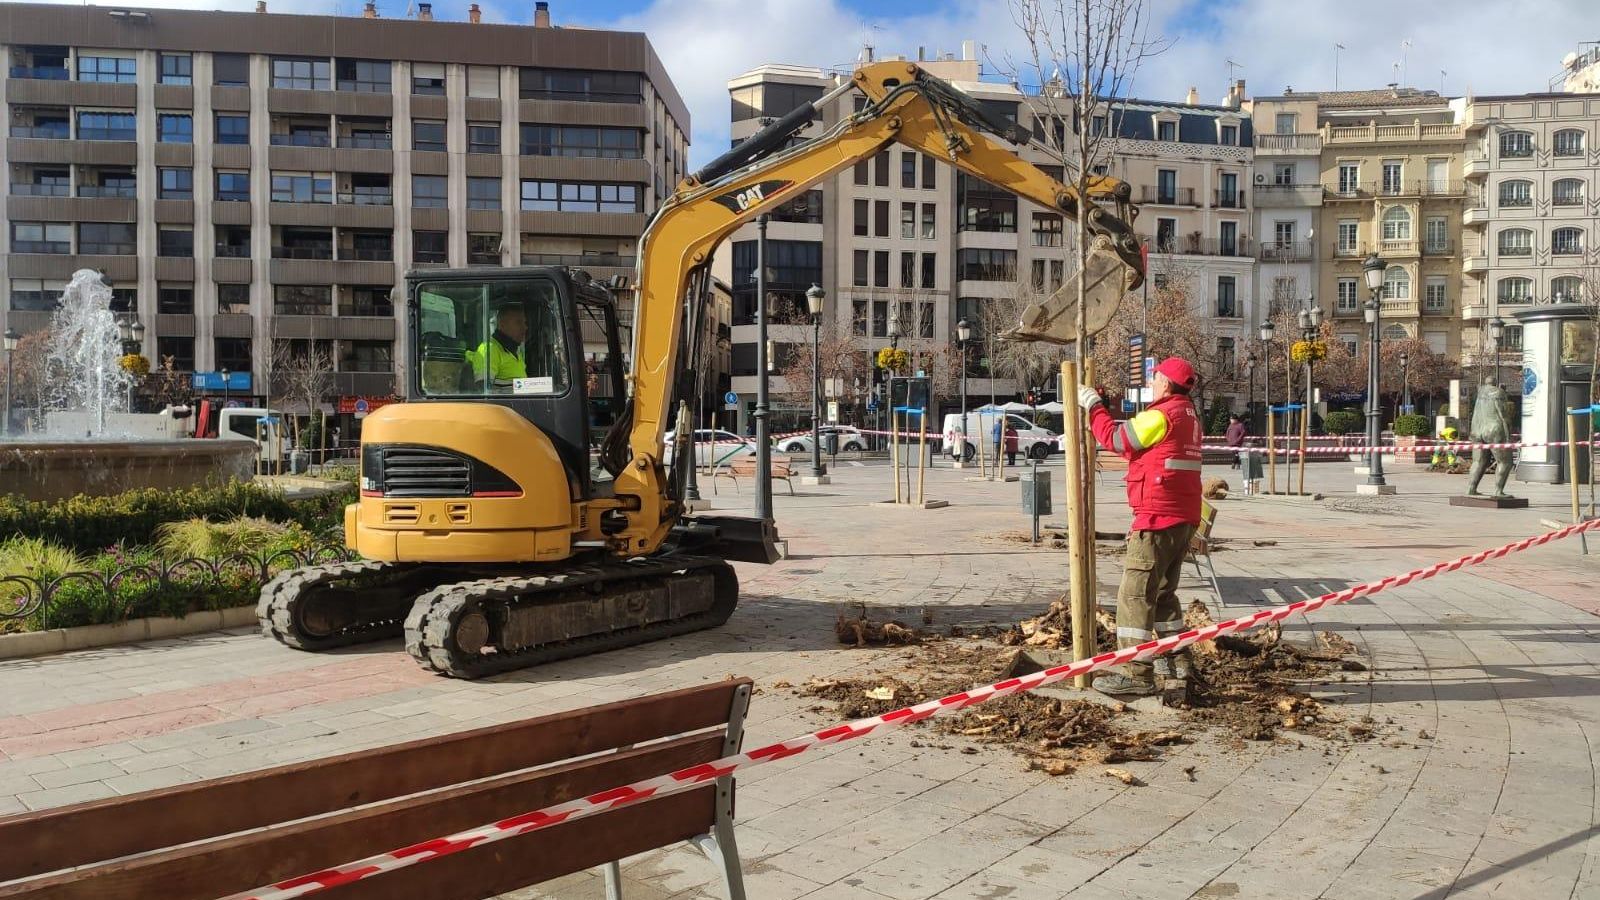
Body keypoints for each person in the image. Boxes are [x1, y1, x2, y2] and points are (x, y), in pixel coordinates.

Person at [1078, 357, 1204, 697]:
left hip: (1157, 518)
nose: (1151, 383)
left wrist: (1093, 407)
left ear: (1165, 382)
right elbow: (1146, 446)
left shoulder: (1161, 415)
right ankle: (1176, 660)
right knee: (1163, 593)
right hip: (1183, 517)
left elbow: (1116, 440)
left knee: (1134, 594)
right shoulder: (1187, 415)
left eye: (1154, 377)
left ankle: (1136, 673)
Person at [465, 304, 528, 389]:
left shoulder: (514, 351)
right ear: (502, 324)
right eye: (518, 322)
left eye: (525, 323)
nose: (525, 327)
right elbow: (482, 390)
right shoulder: (489, 349)